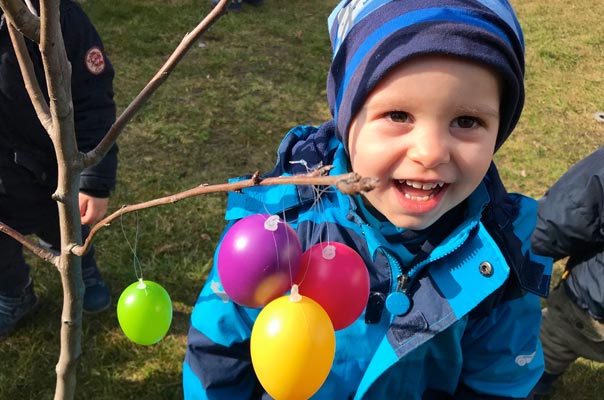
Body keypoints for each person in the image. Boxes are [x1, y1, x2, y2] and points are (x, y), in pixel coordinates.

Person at [183, 0, 553, 398]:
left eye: (467, 122)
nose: (430, 152)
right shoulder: (279, 226)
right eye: (398, 115)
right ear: (346, 119)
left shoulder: (502, 251)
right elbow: (218, 354)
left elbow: (499, 382)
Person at [0, 0, 118, 336]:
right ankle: (14, 292)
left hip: (46, 173)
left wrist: (95, 182)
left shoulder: (58, 18)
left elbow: (93, 102)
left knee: (65, 231)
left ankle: (83, 272)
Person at [529, 145, 604, 398]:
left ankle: (530, 384)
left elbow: (562, 220)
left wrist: (516, 254)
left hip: (588, 308)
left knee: (549, 346)